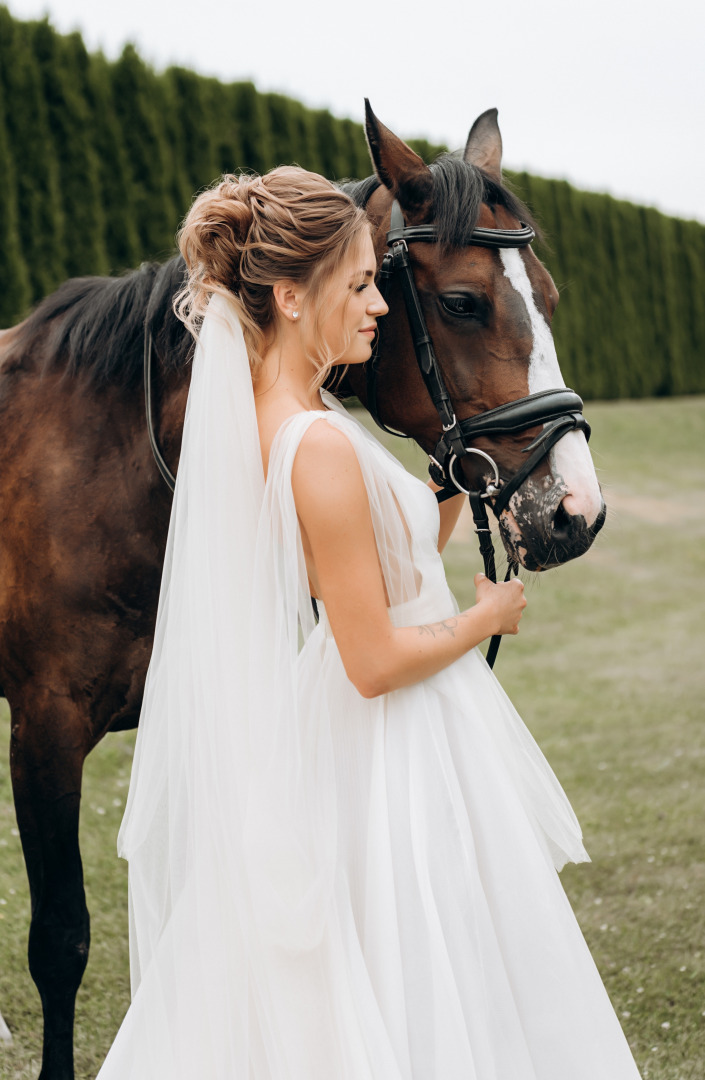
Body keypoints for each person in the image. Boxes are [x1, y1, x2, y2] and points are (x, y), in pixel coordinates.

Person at [97, 167, 641, 1078]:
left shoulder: (304, 414)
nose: (379, 307)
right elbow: (373, 659)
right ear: (288, 295)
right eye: (359, 285)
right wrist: (485, 616)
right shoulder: (311, 445)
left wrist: (435, 490)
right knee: (413, 955)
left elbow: (386, 563)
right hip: (384, 735)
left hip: (382, 731)